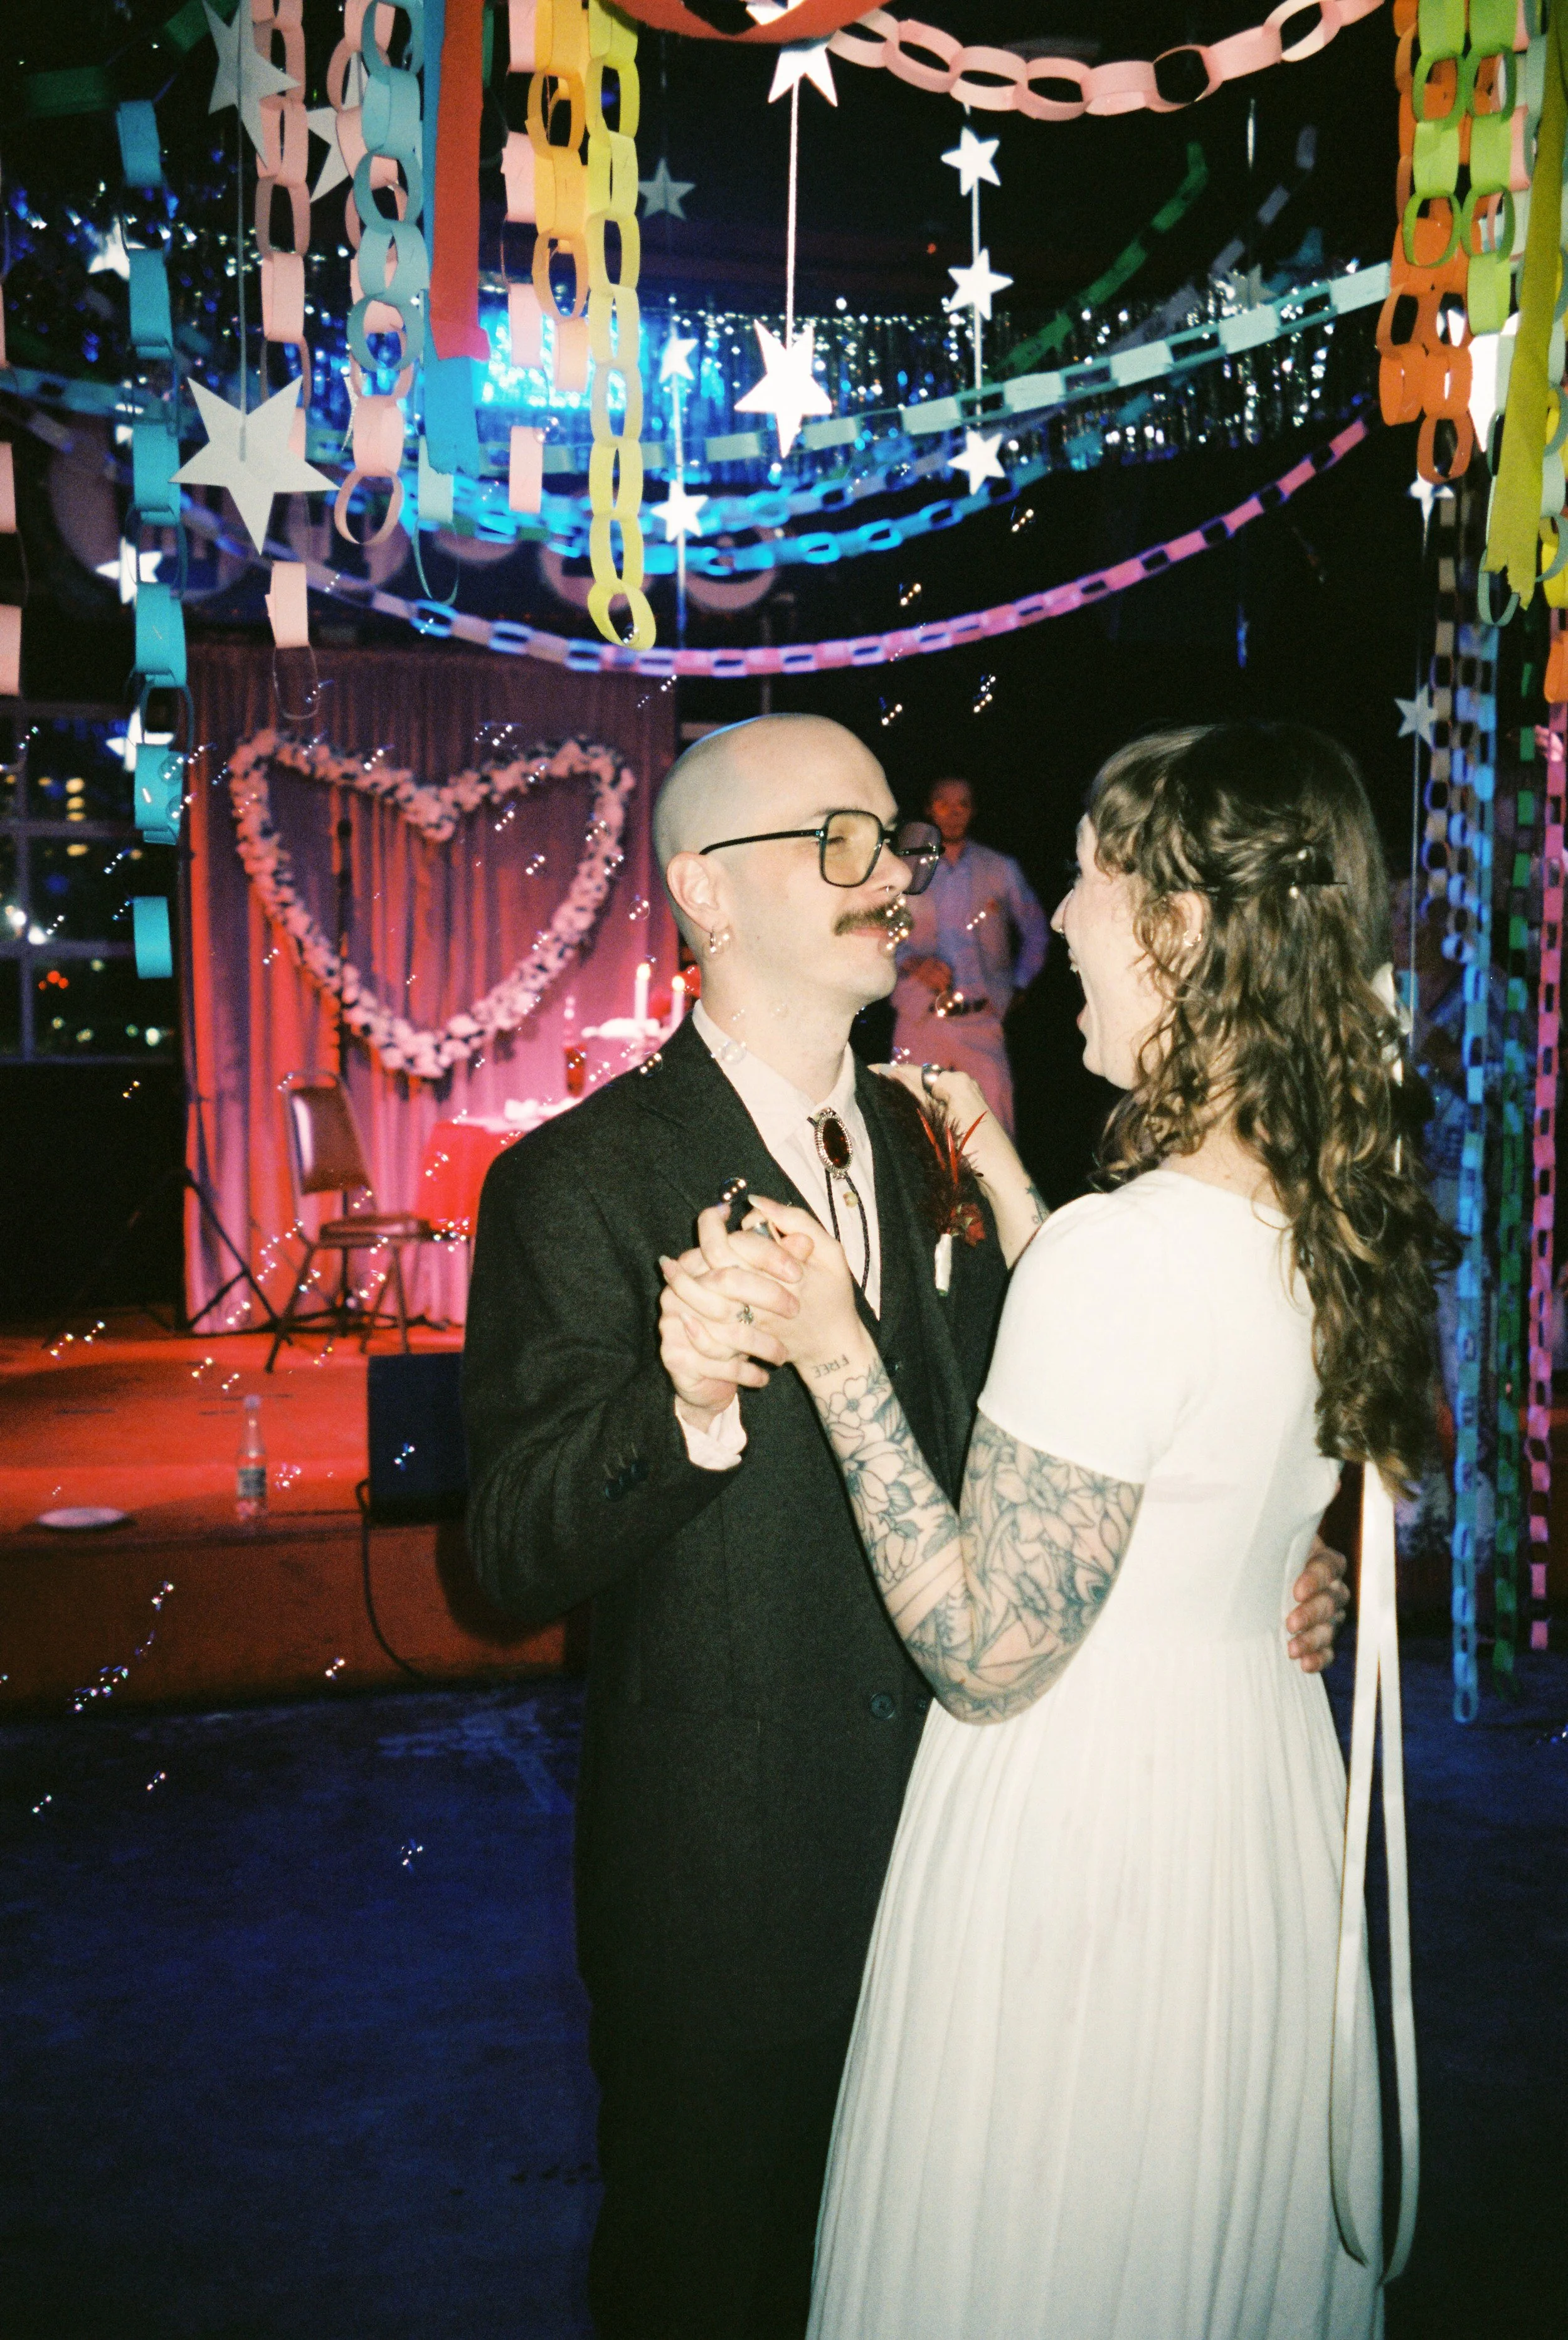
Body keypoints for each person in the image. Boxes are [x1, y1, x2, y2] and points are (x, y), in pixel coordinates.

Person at [462, 713, 1350, 2340]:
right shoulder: (569, 1185)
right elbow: (502, 1553)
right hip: (734, 1902)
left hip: (997, 1894)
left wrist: (1255, 1553)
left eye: (895, 837)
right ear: (702, 896)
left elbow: (1074, 1451)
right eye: (837, 839)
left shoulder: (950, 1146)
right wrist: (686, 1409)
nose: (893, 876)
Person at [672, 722, 1450, 2339]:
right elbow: (1172, 1453)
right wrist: (1023, 1205)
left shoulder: (1128, 1255)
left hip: (1090, 1846)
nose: (1062, 925)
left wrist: (834, 1347)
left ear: (1178, 927)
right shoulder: (1306, 1214)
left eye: (1096, 879)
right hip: (1242, 1820)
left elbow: (982, 1649)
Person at [891, 774, 1048, 1133]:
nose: (954, 812)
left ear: (973, 810)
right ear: (931, 808)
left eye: (962, 804)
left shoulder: (999, 868)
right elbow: (883, 934)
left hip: (981, 1020)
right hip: (921, 1020)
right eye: (945, 803)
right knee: (914, 1130)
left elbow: (1036, 927)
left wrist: (1020, 983)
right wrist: (912, 963)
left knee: (995, 1133)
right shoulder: (906, 871)